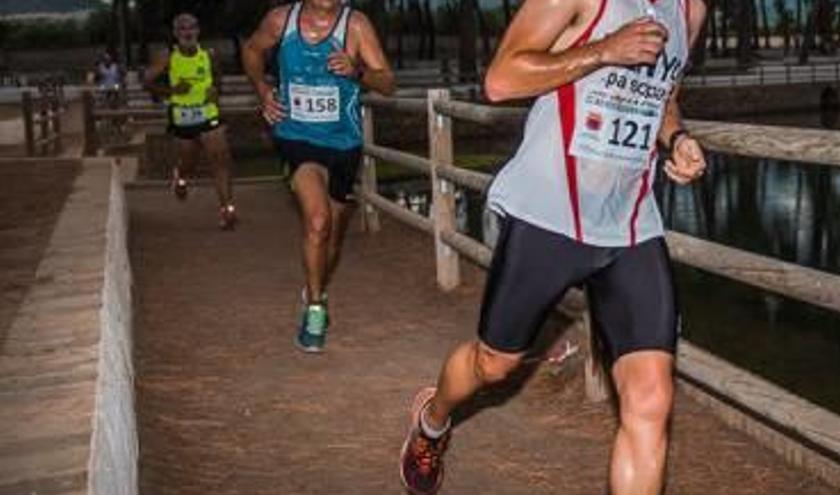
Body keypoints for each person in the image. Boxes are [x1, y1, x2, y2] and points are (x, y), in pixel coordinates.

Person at [399, 0, 708, 492]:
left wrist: (677, 138)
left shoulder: (690, 9)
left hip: (629, 223)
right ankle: (433, 419)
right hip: (549, 213)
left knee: (651, 399)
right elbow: (500, 80)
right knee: (492, 364)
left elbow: (663, 94)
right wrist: (604, 50)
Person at [243, 0, 394, 352]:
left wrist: (357, 71)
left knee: (333, 238)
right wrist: (264, 90)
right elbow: (252, 51)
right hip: (295, 137)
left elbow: (388, 83)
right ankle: (314, 306)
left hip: (343, 143)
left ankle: (317, 286)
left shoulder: (355, 25)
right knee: (317, 221)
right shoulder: (281, 20)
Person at [144, 13, 237, 230]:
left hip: (209, 114)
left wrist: (216, 92)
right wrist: (171, 90)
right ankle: (181, 177)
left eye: (191, 28)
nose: (188, 32)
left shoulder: (209, 54)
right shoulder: (167, 56)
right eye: (182, 29)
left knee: (220, 159)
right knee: (189, 161)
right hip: (183, 117)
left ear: (198, 31)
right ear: (176, 34)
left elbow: (218, 81)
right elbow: (147, 82)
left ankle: (227, 209)